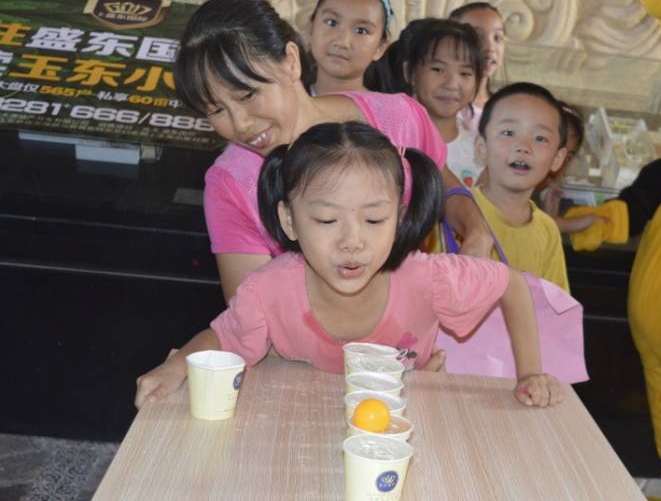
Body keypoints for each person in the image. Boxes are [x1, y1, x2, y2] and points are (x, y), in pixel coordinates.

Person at [134, 122, 564, 409]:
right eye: (326, 220)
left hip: (405, 422)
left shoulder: (426, 278)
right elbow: (224, 336)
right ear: (289, 220)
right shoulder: (267, 292)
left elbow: (511, 284)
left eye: (374, 220)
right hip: (303, 421)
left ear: (399, 218)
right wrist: (178, 364)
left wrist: (530, 372)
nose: (352, 241)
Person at [173, 0, 493, 303]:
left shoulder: (399, 117)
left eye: (247, 95)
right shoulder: (231, 184)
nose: (241, 124)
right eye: (216, 110)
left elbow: (443, 183)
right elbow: (252, 312)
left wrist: (476, 230)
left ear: (291, 61)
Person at [470, 82, 571, 292]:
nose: (524, 147)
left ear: (557, 158)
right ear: (481, 147)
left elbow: (555, 304)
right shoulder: (457, 212)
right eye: (508, 133)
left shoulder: (547, 231)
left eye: (540, 138)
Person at [405, 19, 485, 188]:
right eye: (438, 69)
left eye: (465, 73)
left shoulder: (480, 151)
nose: (451, 84)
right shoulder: (392, 140)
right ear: (410, 73)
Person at [308, 0, 391, 95]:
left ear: (379, 48)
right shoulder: (289, 102)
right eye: (332, 22)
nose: (342, 42)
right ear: (311, 27)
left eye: (361, 31)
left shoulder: (386, 106)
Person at [538, 102, 604, 234]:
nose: (557, 162)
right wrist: (579, 223)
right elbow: (530, 225)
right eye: (554, 151)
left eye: (567, 157)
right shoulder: (514, 183)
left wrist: (550, 209)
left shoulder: (543, 187)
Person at [449, 2, 506, 131]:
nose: (490, 47)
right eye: (477, 37)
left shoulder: (506, 106)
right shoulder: (444, 104)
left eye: (497, 38)